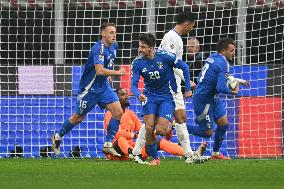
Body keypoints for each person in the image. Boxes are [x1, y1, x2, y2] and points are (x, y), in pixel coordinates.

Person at [51, 22, 126, 157]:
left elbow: (107, 63)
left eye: (115, 32)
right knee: (78, 118)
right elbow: (99, 70)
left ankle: (108, 144)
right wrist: (116, 73)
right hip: (89, 90)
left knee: (118, 111)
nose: (114, 35)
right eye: (111, 32)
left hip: (103, 88)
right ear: (103, 34)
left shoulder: (115, 46)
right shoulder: (98, 48)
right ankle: (57, 136)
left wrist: (108, 76)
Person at [131, 33, 193, 166]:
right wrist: (138, 94)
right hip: (149, 96)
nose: (140, 49)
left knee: (160, 131)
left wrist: (187, 88)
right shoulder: (137, 63)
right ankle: (155, 159)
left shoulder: (165, 56)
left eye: (143, 47)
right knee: (148, 128)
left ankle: (169, 127)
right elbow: (133, 85)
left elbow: (185, 67)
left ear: (151, 48)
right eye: (139, 46)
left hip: (166, 96)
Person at [187, 37, 249, 159]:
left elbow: (217, 76)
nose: (233, 53)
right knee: (208, 132)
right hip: (203, 99)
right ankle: (176, 125)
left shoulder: (214, 56)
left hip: (212, 97)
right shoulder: (223, 63)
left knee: (223, 124)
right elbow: (221, 87)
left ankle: (215, 153)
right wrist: (233, 91)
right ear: (224, 51)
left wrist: (237, 80)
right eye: (231, 50)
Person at [104, 88, 186, 163]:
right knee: (121, 139)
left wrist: (155, 131)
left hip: (131, 150)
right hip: (116, 152)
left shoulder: (131, 114)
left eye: (126, 94)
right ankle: (134, 154)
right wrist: (133, 135)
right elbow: (116, 134)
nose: (127, 96)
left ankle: (188, 154)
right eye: (123, 94)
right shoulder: (110, 114)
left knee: (158, 140)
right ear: (116, 99)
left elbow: (141, 129)